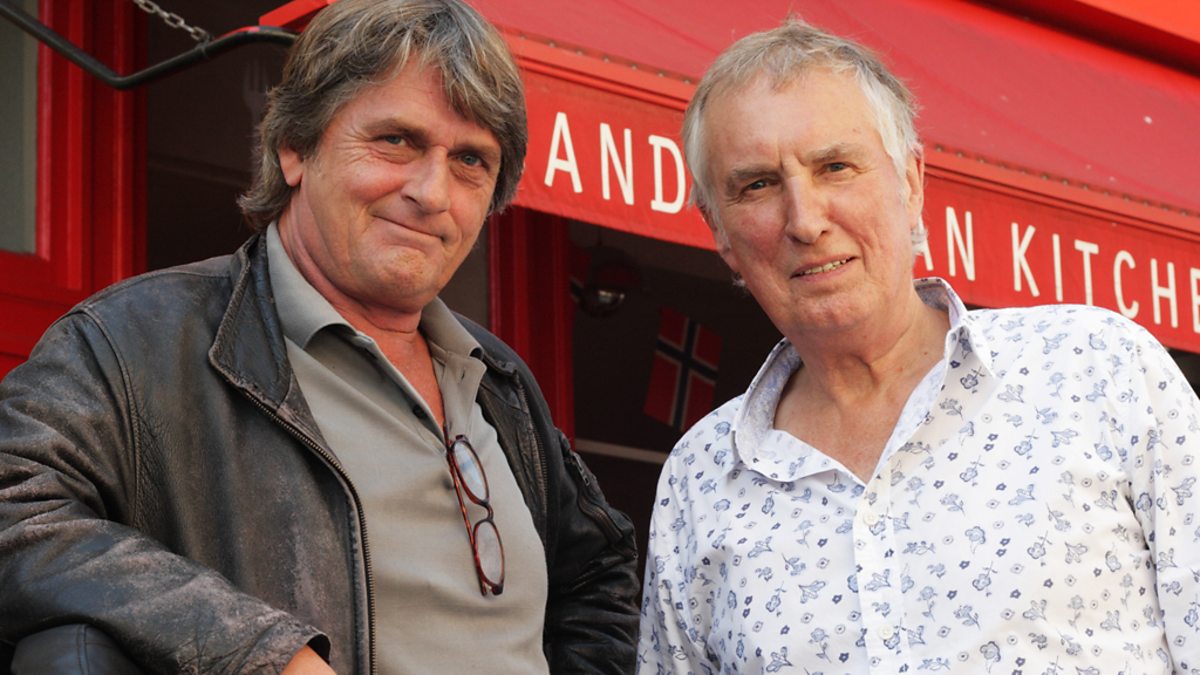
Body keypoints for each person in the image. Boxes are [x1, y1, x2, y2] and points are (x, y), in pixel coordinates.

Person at [0, 0, 640, 672]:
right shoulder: (135, 341)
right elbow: (15, 510)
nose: (432, 192)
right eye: (397, 140)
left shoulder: (498, 378)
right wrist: (260, 651)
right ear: (295, 147)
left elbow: (597, 578)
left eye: (470, 160)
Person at [637, 18, 1200, 674]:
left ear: (911, 182)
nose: (806, 221)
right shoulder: (700, 477)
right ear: (719, 231)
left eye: (835, 167)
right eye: (758, 184)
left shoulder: (1096, 366)